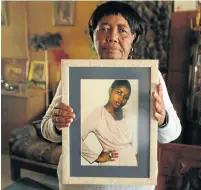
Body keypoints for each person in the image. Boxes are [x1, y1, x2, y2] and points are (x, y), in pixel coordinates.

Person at [41, 1, 182, 190]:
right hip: (82, 183)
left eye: (123, 30)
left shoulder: (149, 77)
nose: (112, 37)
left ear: (134, 37)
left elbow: (172, 134)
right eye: (104, 29)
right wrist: (58, 125)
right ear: (93, 36)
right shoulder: (76, 76)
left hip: (132, 182)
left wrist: (163, 118)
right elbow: (47, 129)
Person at [81, 80, 137, 166]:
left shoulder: (127, 113)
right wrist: (96, 158)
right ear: (110, 90)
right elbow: (74, 139)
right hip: (111, 164)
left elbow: (133, 142)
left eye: (125, 97)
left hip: (131, 162)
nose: (121, 99)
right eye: (119, 93)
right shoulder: (98, 114)